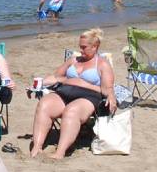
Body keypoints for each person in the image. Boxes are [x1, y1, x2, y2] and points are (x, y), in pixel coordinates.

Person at [30, 28, 117, 160]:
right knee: (44, 104)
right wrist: (38, 84)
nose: (80, 50)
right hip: (65, 93)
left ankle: (60, 152)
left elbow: (106, 88)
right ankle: (37, 147)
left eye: (84, 47)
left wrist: (108, 95)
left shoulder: (102, 64)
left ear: (95, 46)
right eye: (79, 47)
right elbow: (56, 77)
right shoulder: (73, 60)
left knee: (72, 111)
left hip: (89, 97)